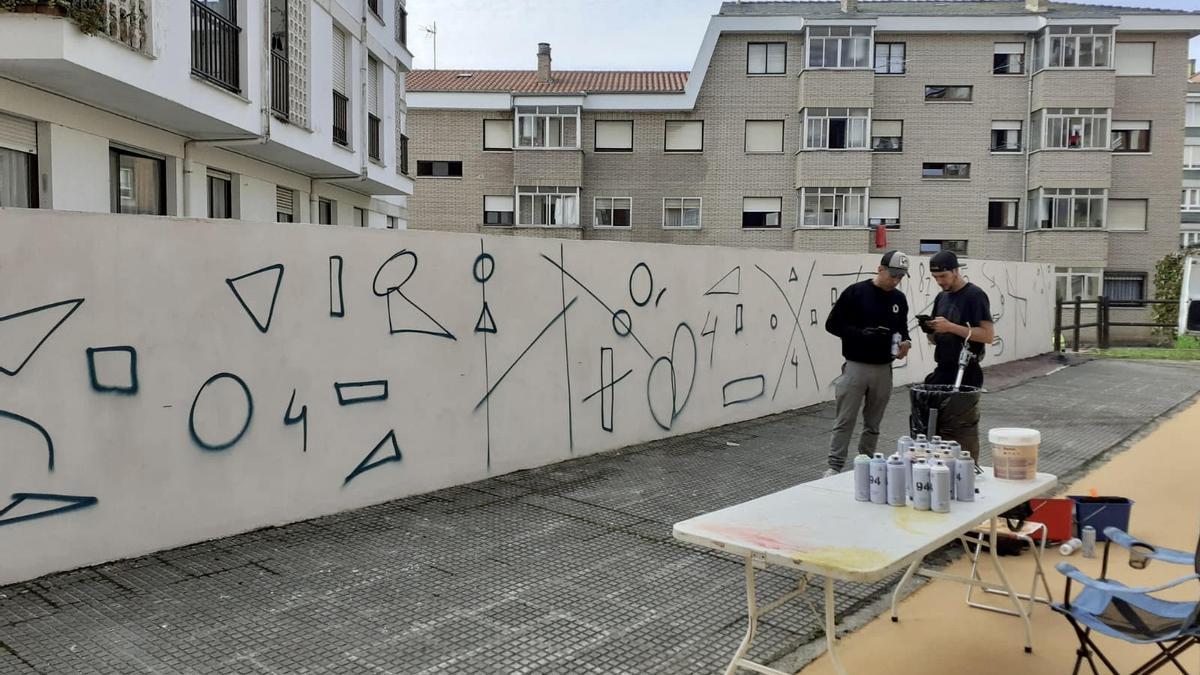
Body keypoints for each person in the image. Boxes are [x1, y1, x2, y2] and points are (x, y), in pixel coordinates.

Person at [822, 250, 912, 478]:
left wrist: (906, 343)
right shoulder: (856, 292)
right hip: (855, 365)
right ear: (880, 269)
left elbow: (902, 328)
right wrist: (861, 334)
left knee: (874, 422)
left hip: (884, 367)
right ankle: (834, 466)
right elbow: (832, 325)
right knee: (845, 419)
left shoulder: (899, 299)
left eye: (900, 277)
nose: (895, 281)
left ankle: (867, 462)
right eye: (892, 275)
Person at [922, 249, 994, 459]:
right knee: (935, 424)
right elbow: (937, 337)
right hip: (943, 367)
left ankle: (966, 467)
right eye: (935, 277)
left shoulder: (975, 295)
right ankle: (938, 465)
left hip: (966, 369)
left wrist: (951, 327)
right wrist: (931, 330)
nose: (939, 281)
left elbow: (987, 335)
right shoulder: (941, 298)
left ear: (955, 271)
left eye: (943, 276)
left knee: (961, 429)